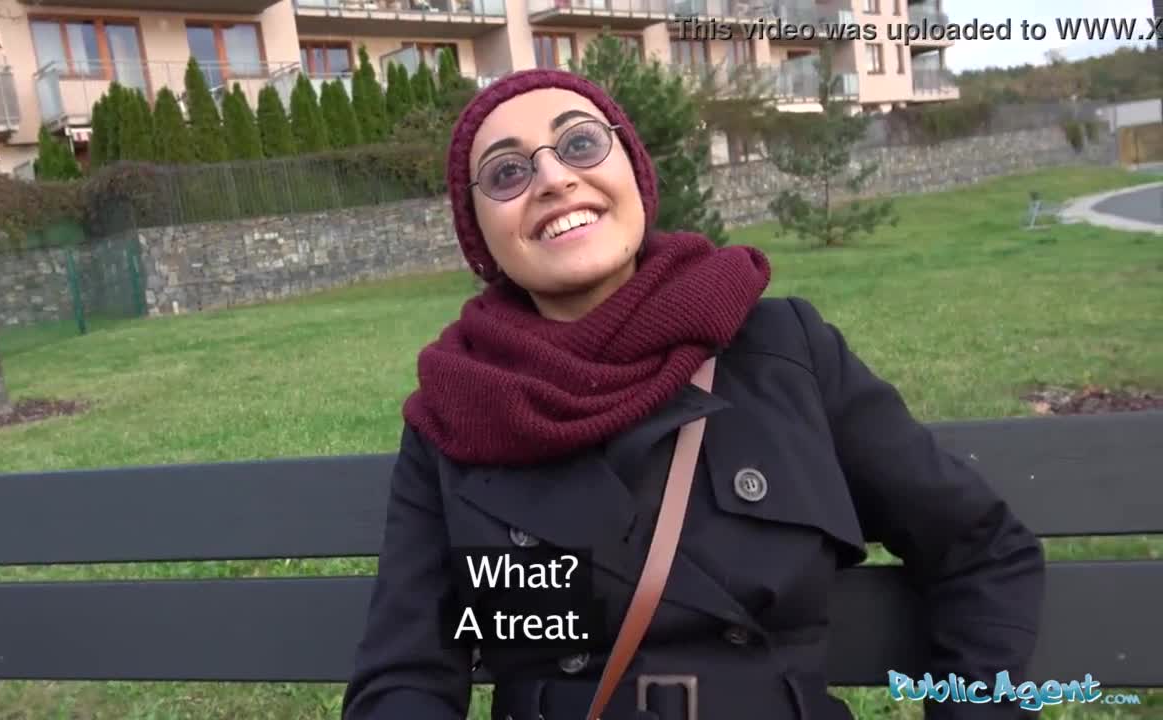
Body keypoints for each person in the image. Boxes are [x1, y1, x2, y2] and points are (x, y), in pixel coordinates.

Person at [340, 68, 1045, 720]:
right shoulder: (457, 409)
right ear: (479, 235)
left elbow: (980, 549)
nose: (553, 178)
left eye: (580, 143)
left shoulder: (784, 349)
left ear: (634, 172)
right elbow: (406, 675)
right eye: (506, 172)